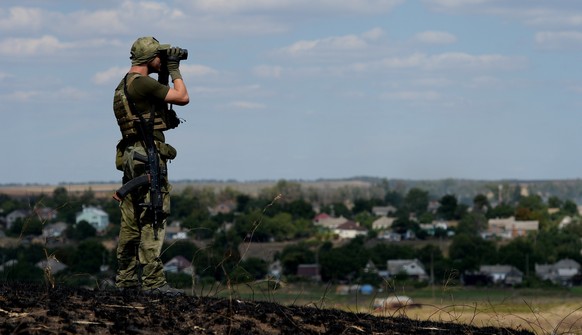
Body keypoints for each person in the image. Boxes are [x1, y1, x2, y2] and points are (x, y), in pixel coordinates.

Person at [112, 36, 189, 295]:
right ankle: (154, 283)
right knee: (154, 213)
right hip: (148, 155)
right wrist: (175, 69)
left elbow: (154, 109)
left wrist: (164, 72)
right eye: (160, 56)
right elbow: (183, 97)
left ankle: (126, 280)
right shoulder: (142, 83)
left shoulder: (126, 84)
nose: (163, 60)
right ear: (150, 58)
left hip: (132, 155)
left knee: (131, 219)